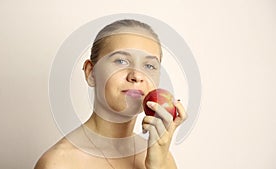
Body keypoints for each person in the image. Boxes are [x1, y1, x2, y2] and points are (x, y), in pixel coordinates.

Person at [34, 19, 186, 169]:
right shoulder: (58, 163)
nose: (136, 75)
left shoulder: (160, 158)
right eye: (121, 61)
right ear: (91, 73)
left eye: (149, 65)